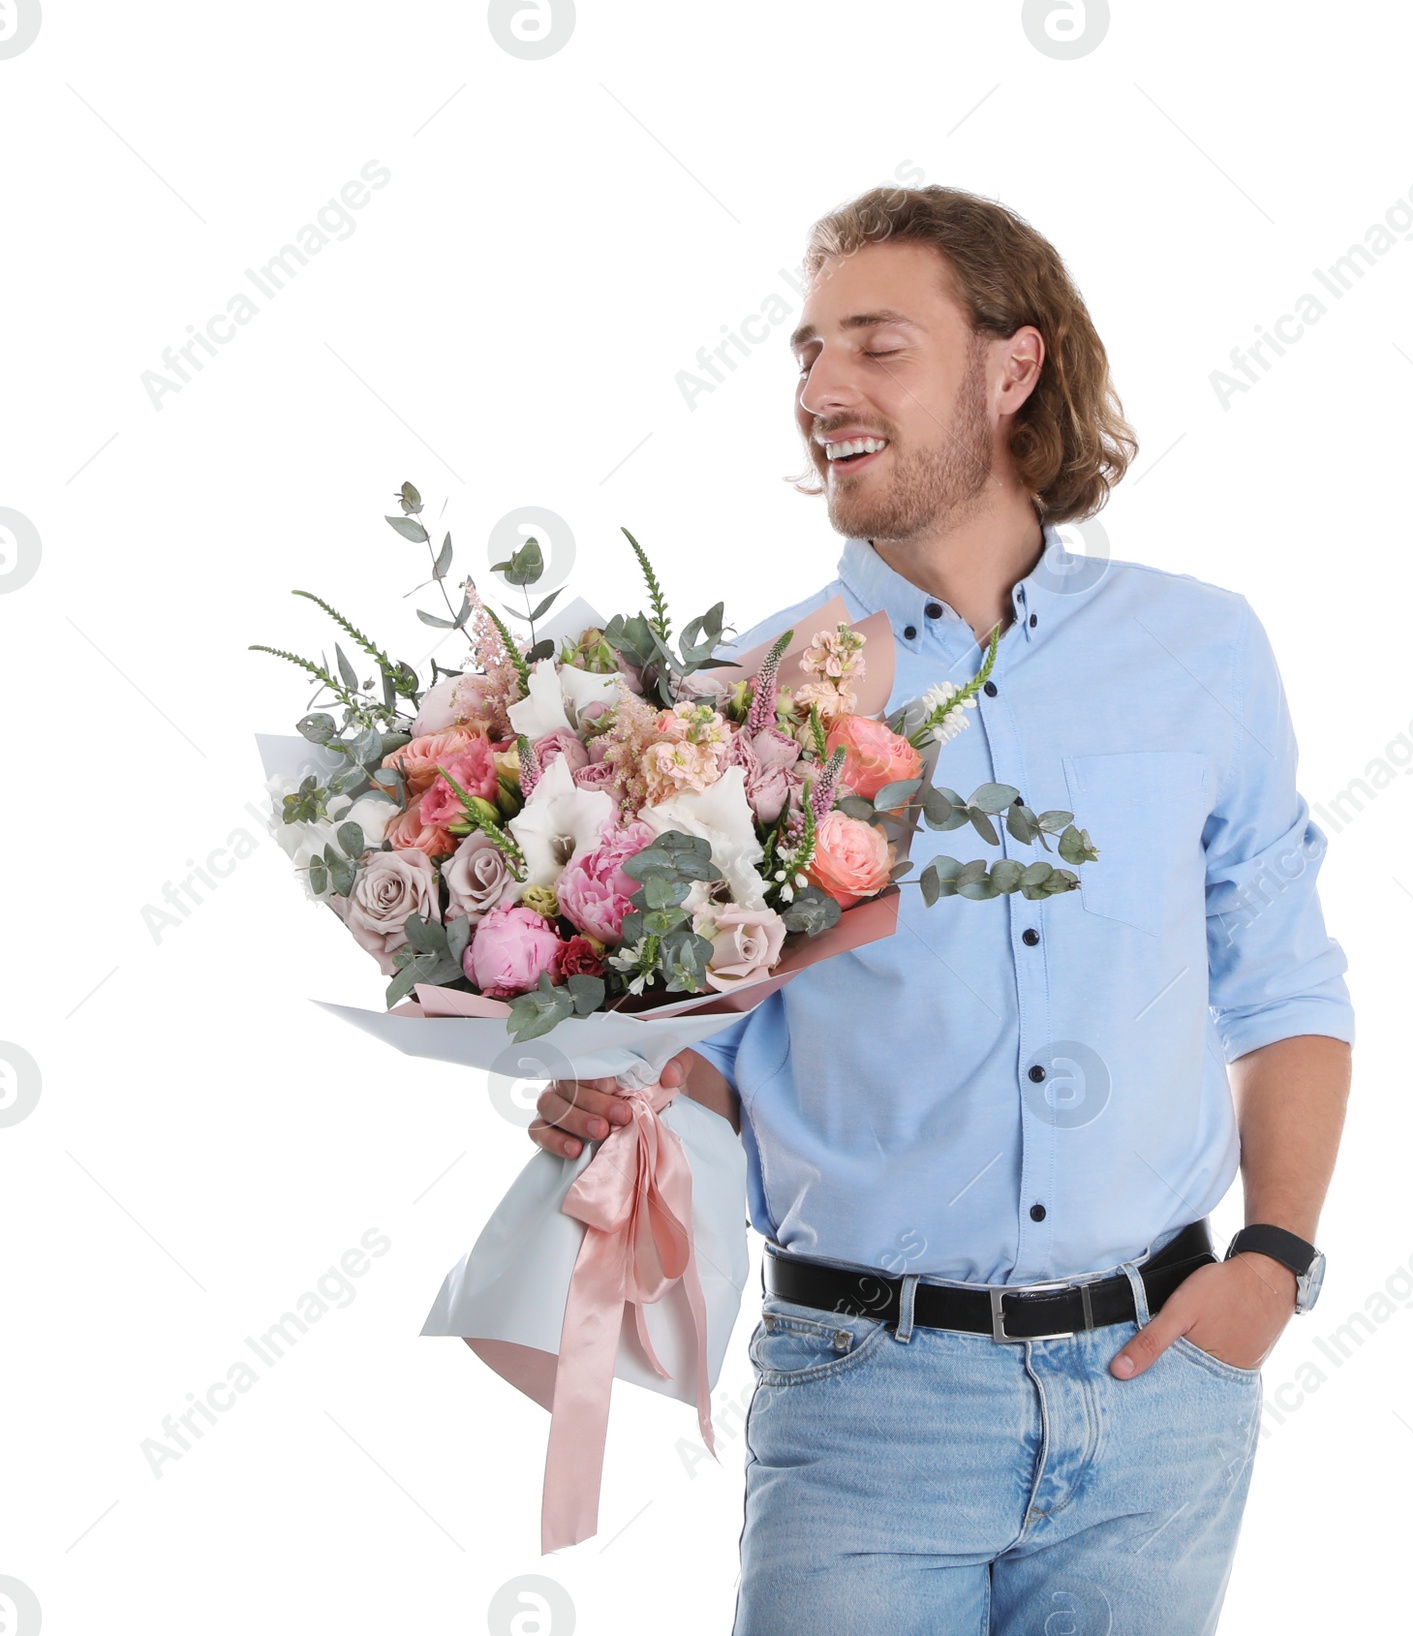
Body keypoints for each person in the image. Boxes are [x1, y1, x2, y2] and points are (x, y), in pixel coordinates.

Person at [529, 184, 1354, 1635]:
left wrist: (1272, 1269)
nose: (820, 392)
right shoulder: (738, 700)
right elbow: (719, 1038)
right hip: (867, 1405)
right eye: (805, 353)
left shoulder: (1203, 650)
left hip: (1162, 1399)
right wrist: (628, 1107)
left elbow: (1280, 985)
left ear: (1012, 367)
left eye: (875, 346)